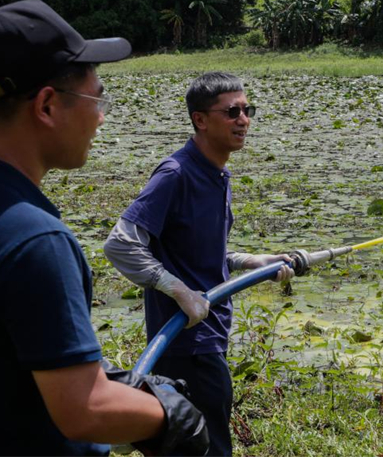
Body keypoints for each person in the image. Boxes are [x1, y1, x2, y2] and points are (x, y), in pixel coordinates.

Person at [0, 0, 209, 456]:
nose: (102, 117)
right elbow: (84, 409)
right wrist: (172, 417)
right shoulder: (34, 239)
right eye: (97, 98)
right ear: (47, 106)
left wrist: (103, 375)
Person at [104, 71, 295, 456]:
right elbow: (120, 244)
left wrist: (252, 261)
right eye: (232, 112)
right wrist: (178, 290)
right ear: (200, 120)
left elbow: (197, 250)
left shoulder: (216, 174)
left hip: (207, 338)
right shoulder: (177, 174)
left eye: (247, 110)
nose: (243, 120)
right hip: (187, 344)